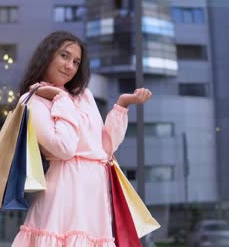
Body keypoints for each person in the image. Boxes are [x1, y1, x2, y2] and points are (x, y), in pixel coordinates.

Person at [12, 31, 152, 246]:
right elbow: (63, 148)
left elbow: (106, 147)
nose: (70, 66)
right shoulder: (32, 99)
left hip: (96, 191)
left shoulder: (83, 95)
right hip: (65, 189)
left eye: (76, 62)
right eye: (64, 56)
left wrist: (122, 106)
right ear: (47, 55)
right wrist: (60, 99)